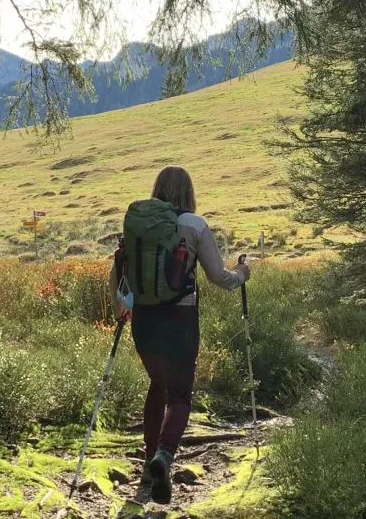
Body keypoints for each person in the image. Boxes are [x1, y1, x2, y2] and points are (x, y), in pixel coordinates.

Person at [112, 165, 250, 505]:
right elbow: (220, 277)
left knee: (156, 385)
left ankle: (148, 463)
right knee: (180, 395)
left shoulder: (139, 224)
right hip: (181, 319)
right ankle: (164, 455)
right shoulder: (195, 225)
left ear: (157, 189)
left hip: (144, 319)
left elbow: (120, 268)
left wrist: (122, 310)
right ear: (189, 192)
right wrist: (243, 273)